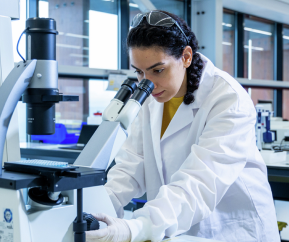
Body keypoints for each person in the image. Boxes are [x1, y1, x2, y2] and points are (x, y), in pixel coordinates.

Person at [86, 10, 280, 242]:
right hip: (177, 226)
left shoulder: (227, 99)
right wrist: (95, 208)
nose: (147, 83)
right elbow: (130, 167)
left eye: (158, 70)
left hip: (231, 230)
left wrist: (137, 228)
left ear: (186, 56)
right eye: (139, 72)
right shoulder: (150, 99)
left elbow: (200, 183)